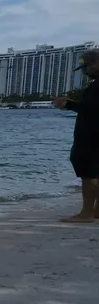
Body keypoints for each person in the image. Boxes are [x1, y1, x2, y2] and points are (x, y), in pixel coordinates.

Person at [54, 49, 99, 222]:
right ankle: (95, 210)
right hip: (93, 135)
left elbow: (91, 110)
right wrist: (69, 105)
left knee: (88, 174)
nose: (85, 71)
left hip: (91, 136)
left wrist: (69, 104)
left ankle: (86, 214)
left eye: (86, 66)